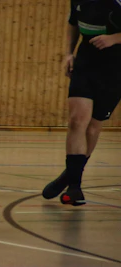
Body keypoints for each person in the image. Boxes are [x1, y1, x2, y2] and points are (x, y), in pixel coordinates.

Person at [42, 0, 121, 206]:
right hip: (86, 61)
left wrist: (114, 38)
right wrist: (69, 52)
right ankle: (74, 187)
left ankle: (68, 176)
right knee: (77, 121)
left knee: (93, 128)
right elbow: (73, 23)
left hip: (115, 68)